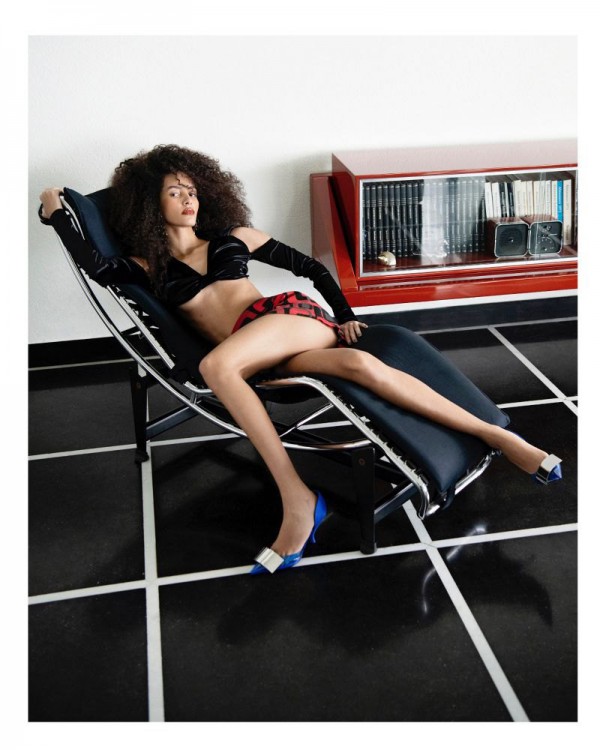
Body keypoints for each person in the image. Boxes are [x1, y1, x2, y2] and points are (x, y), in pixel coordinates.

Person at [39, 144, 562, 574]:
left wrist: (346, 314)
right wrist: (56, 214)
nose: (188, 199)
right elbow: (97, 267)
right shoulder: (145, 265)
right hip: (259, 357)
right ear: (150, 205)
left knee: (216, 367)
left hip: (286, 318)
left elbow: (310, 267)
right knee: (361, 368)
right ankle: (496, 435)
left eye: (192, 190)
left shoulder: (233, 237)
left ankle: (298, 498)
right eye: (174, 192)